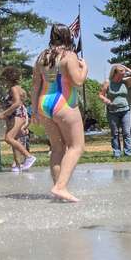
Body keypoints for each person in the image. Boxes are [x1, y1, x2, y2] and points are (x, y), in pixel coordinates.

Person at [31, 23, 88, 202]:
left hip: (43, 104)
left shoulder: (42, 56)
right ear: (67, 37)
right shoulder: (69, 56)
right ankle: (60, 186)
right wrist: (84, 68)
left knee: (57, 148)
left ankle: (58, 191)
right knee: (76, 147)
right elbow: (78, 81)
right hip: (64, 104)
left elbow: (35, 85)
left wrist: (34, 110)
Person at [0, 66, 36, 171]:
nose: (3, 81)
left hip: (17, 115)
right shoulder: (18, 88)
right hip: (16, 115)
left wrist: (3, 114)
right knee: (15, 140)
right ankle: (18, 165)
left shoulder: (14, 89)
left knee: (8, 138)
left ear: (8, 78)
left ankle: (29, 157)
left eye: (4, 79)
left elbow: (17, 103)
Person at [99, 64, 131, 157]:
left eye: (124, 72)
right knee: (115, 133)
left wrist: (126, 68)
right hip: (112, 112)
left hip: (126, 110)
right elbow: (101, 94)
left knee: (126, 132)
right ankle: (117, 153)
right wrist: (105, 100)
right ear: (115, 73)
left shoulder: (125, 82)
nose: (124, 73)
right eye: (121, 72)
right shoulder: (108, 82)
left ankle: (128, 153)